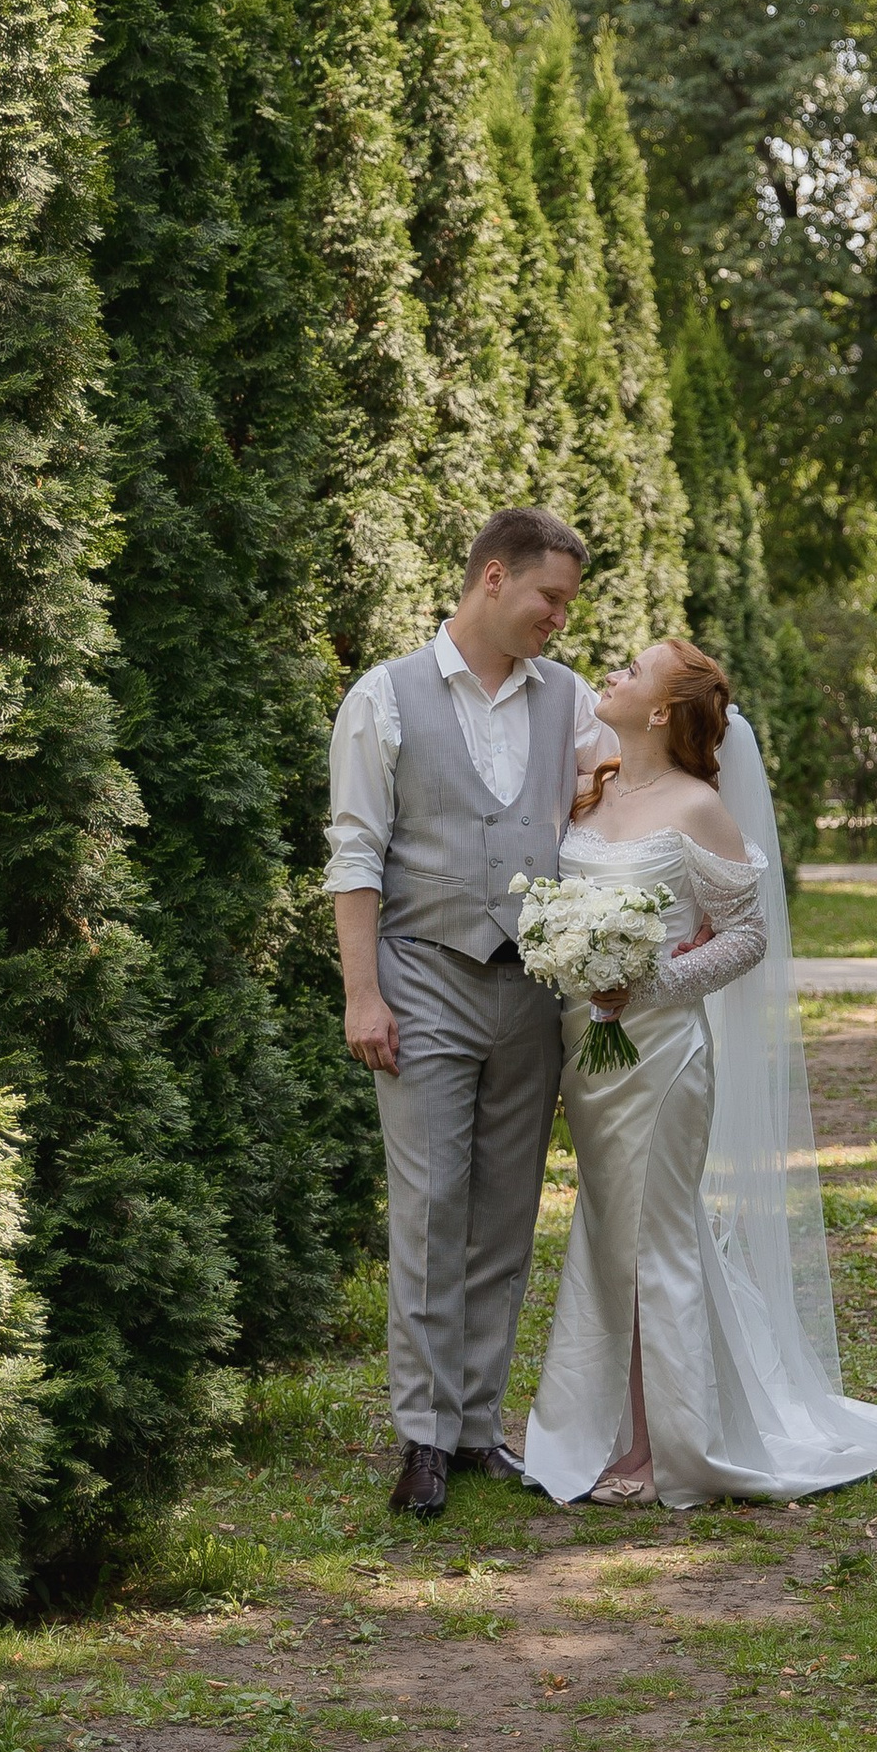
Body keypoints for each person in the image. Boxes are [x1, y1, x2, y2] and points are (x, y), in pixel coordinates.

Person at [520, 639, 877, 1506]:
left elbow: (748, 936)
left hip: (661, 1056)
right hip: (590, 1050)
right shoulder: (591, 789)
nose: (613, 674)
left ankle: (663, 1450)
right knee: (614, 1232)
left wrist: (652, 982)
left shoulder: (699, 808)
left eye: (634, 670)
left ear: (661, 711)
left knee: (656, 1241)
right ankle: (611, 1428)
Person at [326, 507, 611, 1520]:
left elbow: (620, 806)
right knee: (430, 1207)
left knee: (504, 1214)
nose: (559, 619)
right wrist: (363, 993)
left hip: (530, 990)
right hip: (422, 978)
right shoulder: (385, 696)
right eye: (550, 598)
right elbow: (355, 854)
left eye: (566, 604)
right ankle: (423, 1436)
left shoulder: (570, 700)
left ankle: (479, 1426)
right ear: (494, 577)